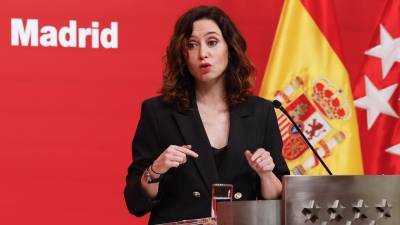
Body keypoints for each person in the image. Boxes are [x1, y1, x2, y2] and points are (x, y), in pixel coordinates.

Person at [124, 5, 289, 225]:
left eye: (212, 42)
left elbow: (278, 200)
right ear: (182, 54)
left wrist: (266, 174)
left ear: (229, 49)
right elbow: (135, 202)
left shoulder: (261, 112)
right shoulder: (158, 112)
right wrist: (156, 169)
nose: (203, 53)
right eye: (192, 45)